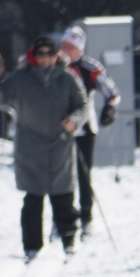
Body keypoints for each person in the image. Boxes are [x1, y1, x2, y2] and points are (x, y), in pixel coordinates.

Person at [0, 35, 86, 261]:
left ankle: (69, 238)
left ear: (56, 55)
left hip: (60, 144)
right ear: (34, 56)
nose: (45, 59)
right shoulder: (21, 78)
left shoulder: (68, 78)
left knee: (63, 198)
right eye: (41, 54)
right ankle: (31, 245)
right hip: (30, 146)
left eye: (50, 54)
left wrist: (74, 120)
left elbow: (82, 105)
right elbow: (3, 93)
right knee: (33, 199)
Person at [58, 26, 121, 240]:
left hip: (84, 129)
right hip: (58, 129)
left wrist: (109, 109)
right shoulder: (54, 65)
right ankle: (63, 217)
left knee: (84, 175)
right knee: (61, 176)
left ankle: (87, 217)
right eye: (63, 45)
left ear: (79, 49)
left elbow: (112, 92)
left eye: (70, 47)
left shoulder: (90, 67)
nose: (64, 50)